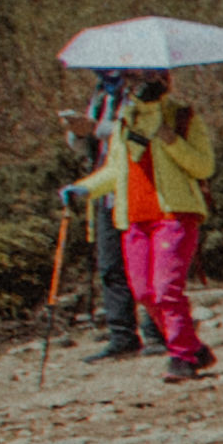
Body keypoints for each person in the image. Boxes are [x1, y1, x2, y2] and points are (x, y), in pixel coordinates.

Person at [104, 76, 216, 381]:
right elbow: (115, 171)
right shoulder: (123, 122)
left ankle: (181, 356)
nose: (142, 85)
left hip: (174, 214)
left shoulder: (183, 117)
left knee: (167, 289)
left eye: (152, 76)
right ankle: (192, 347)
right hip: (135, 219)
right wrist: (83, 190)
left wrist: (168, 138)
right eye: (137, 78)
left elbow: (204, 167)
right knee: (144, 292)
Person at [60, 77, 144, 358]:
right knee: (110, 266)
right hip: (105, 188)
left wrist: (95, 128)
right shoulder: (100, 97)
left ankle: (158, 331)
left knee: (143, 265)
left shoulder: (142, 94)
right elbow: (83, 146)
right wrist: (79, 132)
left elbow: (137, 134)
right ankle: (122, 335)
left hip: (138, 189)